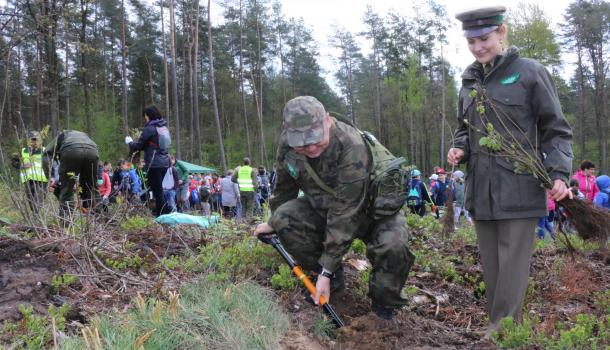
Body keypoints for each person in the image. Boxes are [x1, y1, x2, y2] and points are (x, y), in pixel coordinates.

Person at [448, 6, 573, 338]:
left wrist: (559, 173)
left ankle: (501, 331)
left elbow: (556, 129)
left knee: (512, 265)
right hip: (481, 191)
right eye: (471, 41)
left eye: (484, 39)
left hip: (519, 186)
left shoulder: (530, 73)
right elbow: (464, 128)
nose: (477, 47)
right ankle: (502, 329)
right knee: (493, 267)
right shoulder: (468, 79)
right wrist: (459, 147)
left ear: (501, 32)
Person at [254, 96, 414, 321]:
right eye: (302, 142)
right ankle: (334, 284)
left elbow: (345, 213)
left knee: (394, 244)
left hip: (372, 213)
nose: (309, 147)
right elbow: (284, 186)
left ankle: (383, 309)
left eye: (315, 139)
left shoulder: (351, 146)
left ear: (327, 121)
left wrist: (325, 270)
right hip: (325, 210)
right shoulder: (288, 144)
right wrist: (273, 222)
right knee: (285, 218)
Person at [43, 130, 100, 218]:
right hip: (93, 151)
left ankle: (66, 221)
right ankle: (98, 219)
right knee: (91, 187)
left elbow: (46, 154)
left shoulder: (62, 135)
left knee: (67, 189)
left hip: (71, 151)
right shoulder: (85, 135)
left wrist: (51, 176)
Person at [126, 105, 171, 217]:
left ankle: (162, 214)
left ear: (148, 115)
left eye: (145, 116)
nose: (144, 118)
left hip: (154, 163)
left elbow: (139, 145)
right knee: (158, 187)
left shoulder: (150, 128)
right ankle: (165, 210)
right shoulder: (163, 127)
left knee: (157, 189)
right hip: (165, 162)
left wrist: (130, 142)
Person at [11, 131, 48, 214]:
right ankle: (36, 216)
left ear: (40, 140)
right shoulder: (23, 150)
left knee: (39, 201)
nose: (34, 142)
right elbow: (14, 162)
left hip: (43, 180)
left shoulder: (45, 150)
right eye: (32, 140)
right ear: (28, 140)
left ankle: (37, 215)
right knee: (31, 201)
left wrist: (53, 177)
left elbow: (52, 163)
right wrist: (21, 165)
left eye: (36, 140)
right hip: (28, 180)